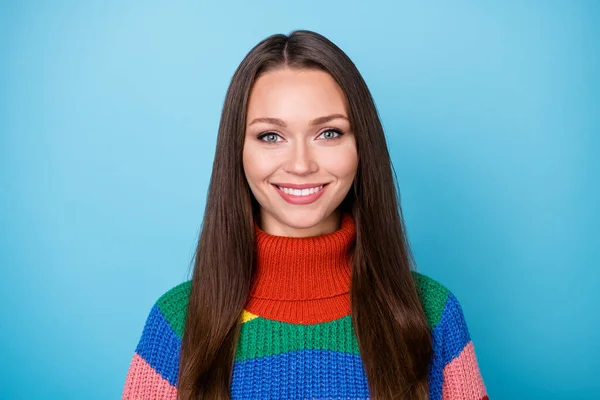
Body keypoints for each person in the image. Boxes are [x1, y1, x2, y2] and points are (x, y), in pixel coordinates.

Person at [121, 30, 488, 400]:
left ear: (362, 146)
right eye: (270, 136)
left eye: (328, 133)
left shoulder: (434, 314)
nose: (300, 165)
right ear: (237, 150)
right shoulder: (176, 323)